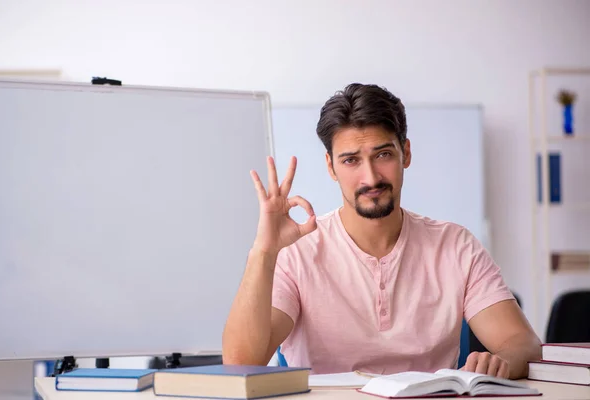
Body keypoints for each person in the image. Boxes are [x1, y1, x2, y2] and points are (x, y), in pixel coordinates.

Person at [222, 83, 541, 379]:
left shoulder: (455, 245)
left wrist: (498, 363)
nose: (371, 178)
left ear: (407, 153)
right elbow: (240, 365)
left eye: (383, 155)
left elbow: (522, 344)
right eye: (350, 161)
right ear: (331, 167)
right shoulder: (299, 252)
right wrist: (264, 251)